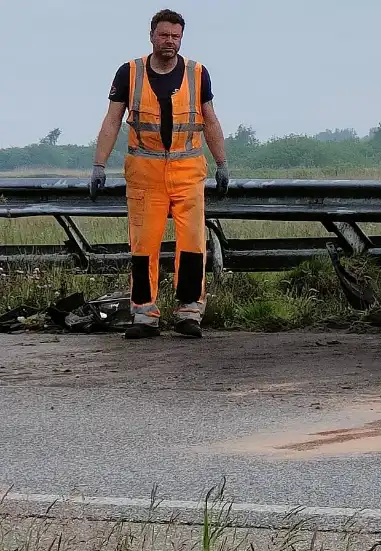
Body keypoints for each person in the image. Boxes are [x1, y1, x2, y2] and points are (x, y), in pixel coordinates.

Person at [89, 8, 229, 339]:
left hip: (188, 170)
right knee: (143, 245)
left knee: (192, 244)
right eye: (164, 35)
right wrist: (99, 164)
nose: (170, 41)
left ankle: (189, 312)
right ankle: (144, 315)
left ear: (182, 38)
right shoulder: (129, 73)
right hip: (145, 173)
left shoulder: (198, 73)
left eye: (176, 36)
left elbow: (210, 119)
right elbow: (112, 120)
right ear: (151, 35)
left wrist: (222, 162)